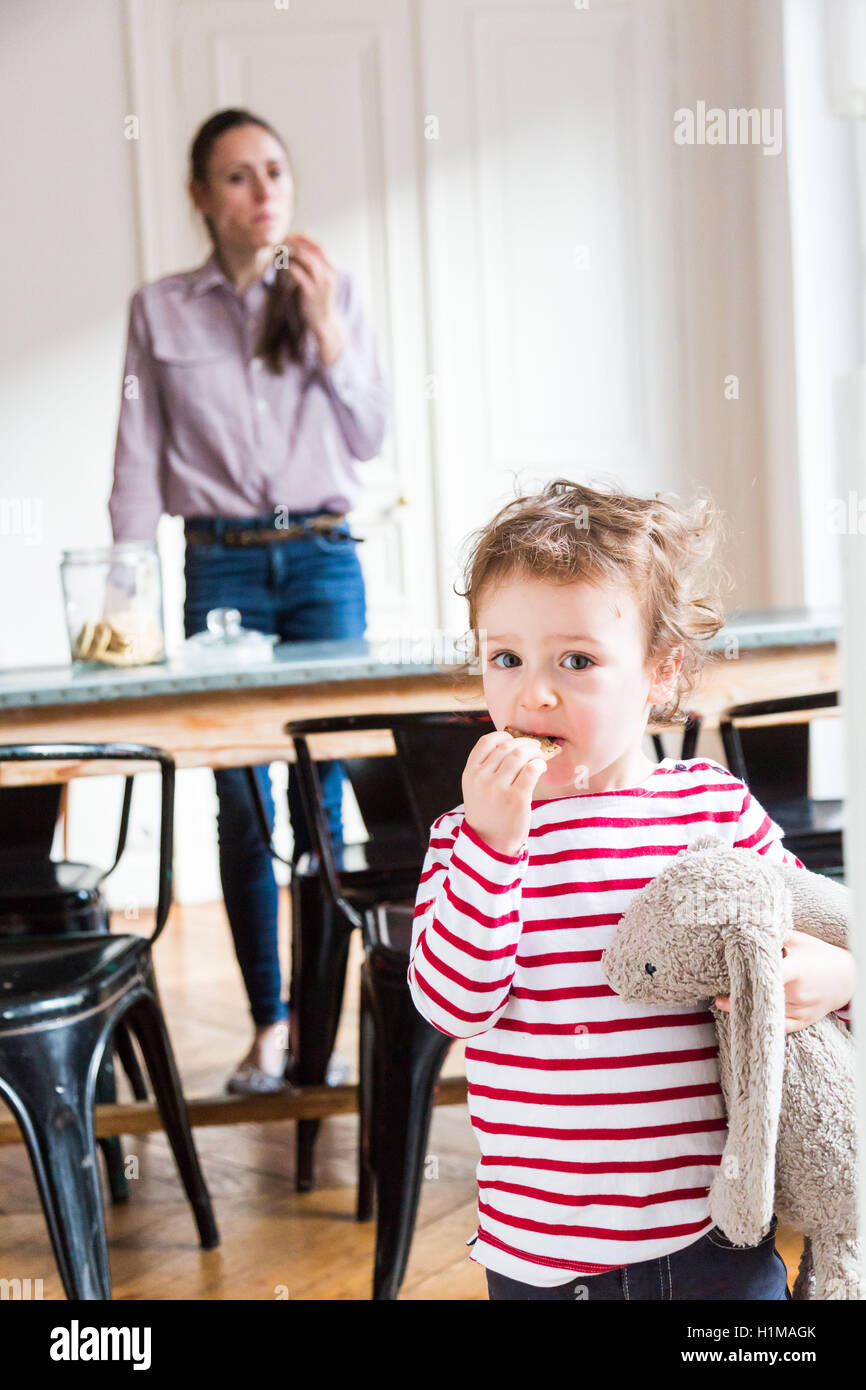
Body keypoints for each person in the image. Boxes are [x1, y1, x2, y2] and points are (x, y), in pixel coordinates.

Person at [408, 477, 855, 1300]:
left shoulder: (708, 805)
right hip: (542, 1254)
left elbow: (821, 924)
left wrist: (837, 980)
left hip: (718, 1234)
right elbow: (452, 1006)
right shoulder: (465, 835)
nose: (533, 691)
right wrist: (493, 849)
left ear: (660, 672)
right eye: (506, 658)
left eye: (576, 661)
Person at [109, 108, 390, 1093]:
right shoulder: (160, 310)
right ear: (200, 197)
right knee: (238, 800)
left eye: (274, 169)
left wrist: (322, 330)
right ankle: (269, 1025)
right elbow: (138, 458)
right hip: (217, 566)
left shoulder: (333, 290)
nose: (262, 190)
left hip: (321, 560)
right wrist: (121, 594)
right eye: (236, 176)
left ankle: (319, 1034)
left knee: (320, 800)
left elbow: (367, 435)